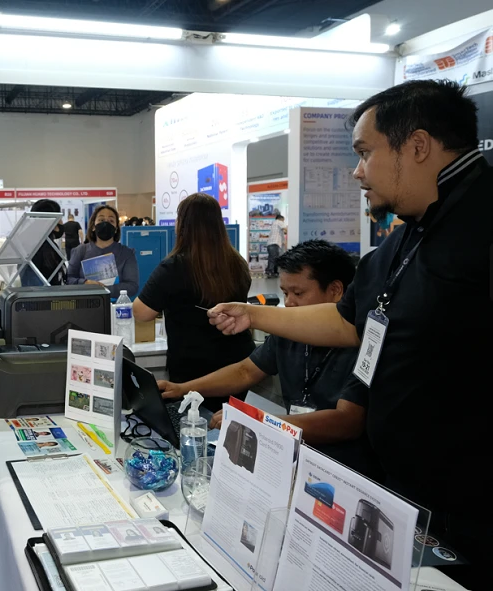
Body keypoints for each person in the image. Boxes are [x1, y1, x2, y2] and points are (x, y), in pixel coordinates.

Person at [208, 80, 491, 589]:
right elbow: (346, 321)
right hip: (407, 496)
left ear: (417, 146)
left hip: (474, 505)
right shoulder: (405, 238)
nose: (357, 171)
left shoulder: (478, 228)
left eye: (365, 153)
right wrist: (254, 316)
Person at [158, 240, 373, 473]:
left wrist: (261, 422)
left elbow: (347, 422)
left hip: (341, 469)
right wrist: (183, 389)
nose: (289, 303)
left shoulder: (362, 342)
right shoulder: (289, 332)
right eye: (285, 293)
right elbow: (245, 371)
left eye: (298, 293)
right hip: (290, 456)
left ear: (335, 291)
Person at [132, 193, 254, 412]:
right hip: (236, 368)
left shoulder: (174, 267)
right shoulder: (238, 263)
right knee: (226, 423)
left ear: (182, 225)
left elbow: (141, 312)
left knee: (193, 424)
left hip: (192, 370)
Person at [67, 204, 139, 298]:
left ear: (116, 229)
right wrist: (85, 283)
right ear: (93, 226)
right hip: (85, 303)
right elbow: (69, 279)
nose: (106, 223)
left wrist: (103, 289)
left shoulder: (127, 253)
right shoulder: (80, 251)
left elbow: (132, 286)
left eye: (111, 221)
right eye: (101, 220)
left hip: (115, 304)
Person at [20, 199, 66, 286]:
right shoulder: (37, 250)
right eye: (59, 218)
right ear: (50, 221)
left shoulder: (48, 246)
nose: (61, 222)